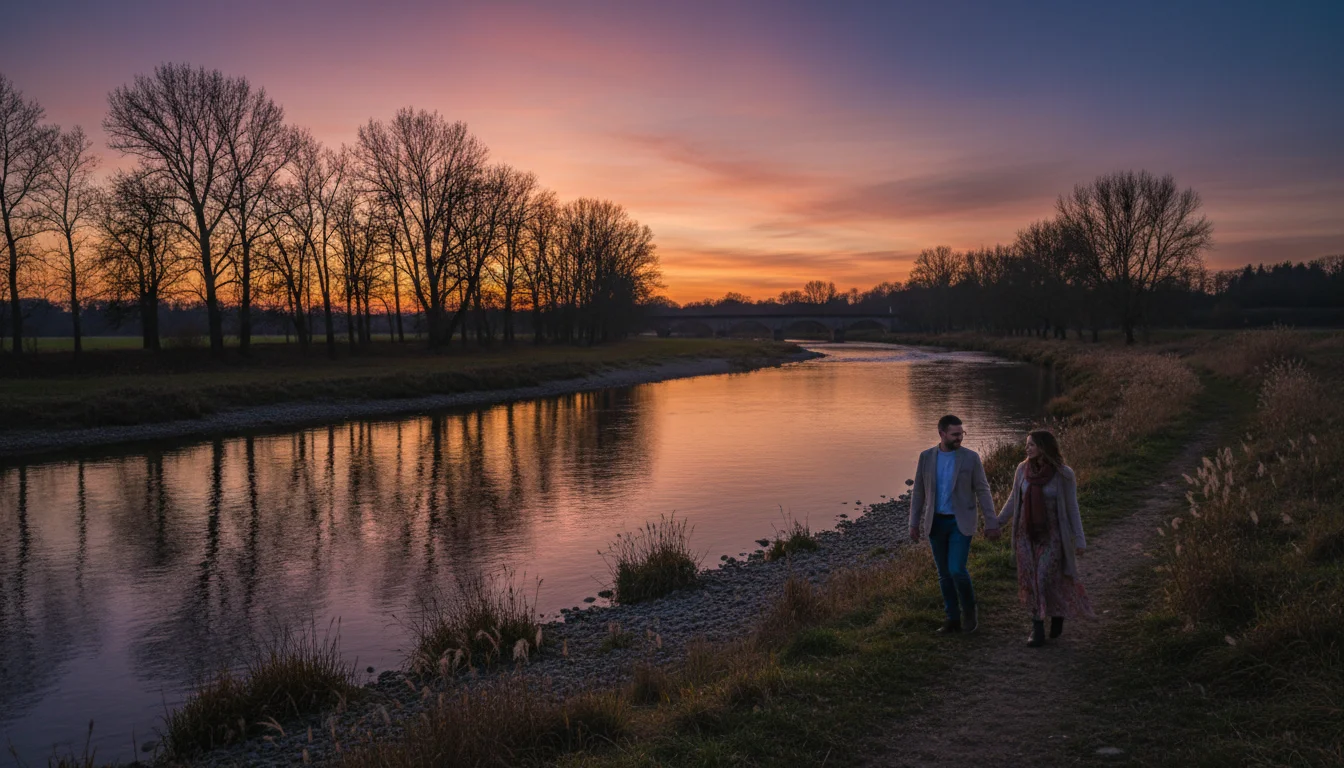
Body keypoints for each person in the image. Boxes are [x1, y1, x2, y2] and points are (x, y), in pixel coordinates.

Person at [995, 429, 1094, 646]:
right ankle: (1037, 627)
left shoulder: (1064, 474)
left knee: (1043, 577)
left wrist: (1079, 538)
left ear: (1043, 447)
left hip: (1053, 536)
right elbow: (1014, 499)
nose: (1026, 448)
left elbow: (1072, 508)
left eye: (1031, 444)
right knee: (1031, 580)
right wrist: (997, 522)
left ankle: (1057, 613)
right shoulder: (1022, 470)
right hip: (1026, 535)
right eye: (1027, 444)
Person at [909, 414, 1001, 634]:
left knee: (957, 569)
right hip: (936, 523)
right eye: (955, 434)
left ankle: (969, 612)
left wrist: (992, 521)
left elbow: (983, 490)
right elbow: (919, 492)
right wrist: (913, 523)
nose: (960, 438)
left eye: (961, 433)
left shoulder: (971, 458)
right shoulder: (926, 457)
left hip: (961, 522)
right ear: (941, 434)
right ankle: (952, 618)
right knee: (944, 574)